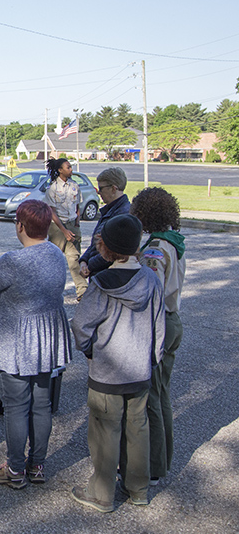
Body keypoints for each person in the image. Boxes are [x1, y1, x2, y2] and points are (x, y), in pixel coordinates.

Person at [70, 214, 165, 513]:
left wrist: (88, 351)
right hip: (139, 369)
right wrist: (153, 358)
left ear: (107, 248)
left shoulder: (100, 283)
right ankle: (138, 489)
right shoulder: (151, 279)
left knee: (104, 431)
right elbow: (159, 324)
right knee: (138, 428)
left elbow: (82, 325)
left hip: (107, 371)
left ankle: (102, 492)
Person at [0, 200, 73, 489]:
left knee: (17, 406)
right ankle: (37, 465)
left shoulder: (12, 261)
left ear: (20, 226)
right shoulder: (56, 254)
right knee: (42, 404)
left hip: (15, 342)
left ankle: (15, 469)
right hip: (45, 340)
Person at [131, 187, 186, 486]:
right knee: (162, 393)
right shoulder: (174, 241)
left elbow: (150, 290)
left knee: (152, 396)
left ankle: (153, 466)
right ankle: (162, 459)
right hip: (173, 319)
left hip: (159, 322)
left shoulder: (155, 248)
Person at [44, 158, 88, 300]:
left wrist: (77, 223)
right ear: (60, 170)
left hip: (71, 224)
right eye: (68, 167)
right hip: (58, 227)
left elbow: (77, 206)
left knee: (74, 259)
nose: (71, 169)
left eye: (71, 167)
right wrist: (64, 231)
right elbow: (52, 212)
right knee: (54, 260)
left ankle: (82, 291)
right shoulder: (53, 188)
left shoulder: (74, 186)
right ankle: (50, 291)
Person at [79, 167, 132, 278]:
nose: (98, 193)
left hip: (108, 277)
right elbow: (96, 242)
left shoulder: (123, 215)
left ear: (113, 189)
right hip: (98, 274)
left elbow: (114, 252)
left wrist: (90, 265)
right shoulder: (110, 210)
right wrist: (84, 260)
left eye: (101, 188)